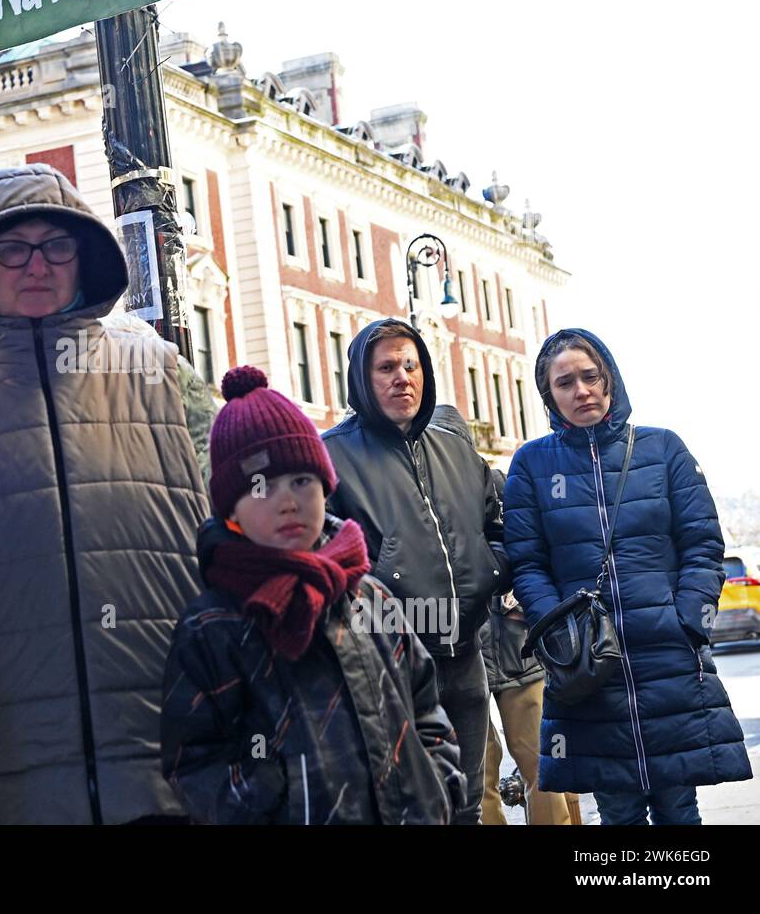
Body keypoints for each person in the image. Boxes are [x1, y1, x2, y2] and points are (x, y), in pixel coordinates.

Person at [0, 163, 215, 824]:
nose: (38, 265)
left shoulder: (164, 380)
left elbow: (243, 539)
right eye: (12, 248)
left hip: (169, 776)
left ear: (83, 260)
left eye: (57, 245)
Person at [161, 366, 465, 824]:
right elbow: (195, 761)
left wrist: (438, 785)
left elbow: (425, 703)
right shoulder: (212, 626)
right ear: (231, 510)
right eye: (262, 486)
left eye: (302, 481)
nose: (287, 501)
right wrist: (272, 800)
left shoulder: (370, 597)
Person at [503, 328, 751, 825]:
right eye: (565, 383)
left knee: (680, 806)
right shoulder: (532, 465)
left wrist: (689, 621)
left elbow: (703, 544)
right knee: (617, 809)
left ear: (610, 378)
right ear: (549, 396)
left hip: (669, 657)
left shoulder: (662, 449)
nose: (582, 391)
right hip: (589, 667)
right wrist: (561, 631)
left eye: (591, 376)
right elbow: (527, 563)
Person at [321, 319, 506, 824]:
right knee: (407, 809)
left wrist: (491, 571)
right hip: (390, 665)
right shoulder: (331, 455)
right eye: (386, 367)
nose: (402, 377)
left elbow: (498, 523)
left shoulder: (455, 446)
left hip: (465, 657)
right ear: (362, 378)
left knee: (466, 804)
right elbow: (325, 557)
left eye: (411, 365)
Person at [426, 406, 574, 825]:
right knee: (482, 772)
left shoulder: (495, 485)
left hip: (508, 647)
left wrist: (514, 591)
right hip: (467, 651)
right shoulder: (421, 496)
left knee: (537, 765)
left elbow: (530, 554)